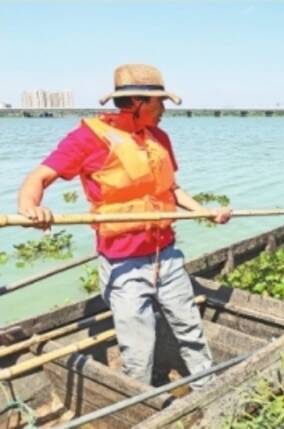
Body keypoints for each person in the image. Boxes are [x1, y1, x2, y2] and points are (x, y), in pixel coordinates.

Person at [17, 64, 231, 388]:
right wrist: (30, 208)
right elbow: (39, 177)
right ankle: (141, 406)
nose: (164, 111)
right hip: (124, 265)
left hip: (167, 255)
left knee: (190, 328)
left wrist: (205, 213)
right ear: (137, 102)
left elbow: (170, 189)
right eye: (160, 103)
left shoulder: (160, 138)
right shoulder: (88, 139)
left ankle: (208, 389)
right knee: (137, 349)